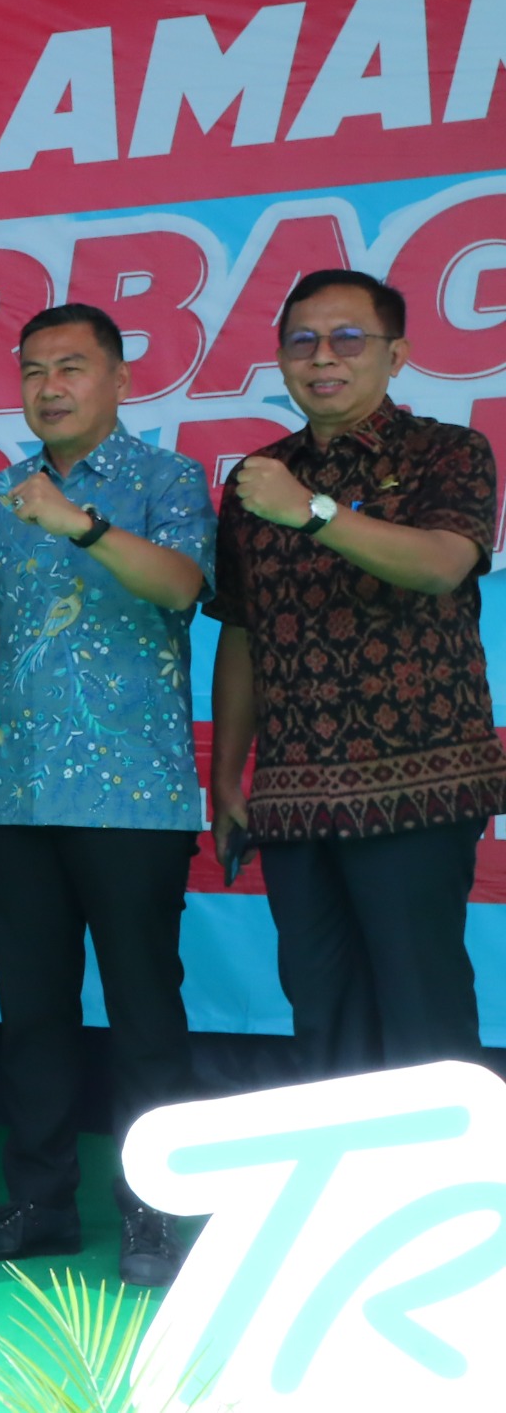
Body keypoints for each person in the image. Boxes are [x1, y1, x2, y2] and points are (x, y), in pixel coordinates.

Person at [0, 304, 213, 1289]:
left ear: (119, 379)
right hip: (17, 790)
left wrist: (83, 524)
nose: (49, 385)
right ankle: (41, 1202)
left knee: (144, 1011)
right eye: (33, 369)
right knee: (32, 1011)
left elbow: (182, 587)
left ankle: (153, 1211)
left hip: (131, 792)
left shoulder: (166, 479)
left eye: (71, 366)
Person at [210, 268, 506, 1078]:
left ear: (395, 355)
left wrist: (313, 511)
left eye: (348, 339)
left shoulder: (448, 451)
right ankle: (343, 1160)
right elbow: (241, 629)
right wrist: (229, 775)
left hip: (419, 781)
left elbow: (442, 565)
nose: (323, 358)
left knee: (420, 1006)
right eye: (302, 341)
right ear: (281, 358)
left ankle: (448, 1161)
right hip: (295, 791)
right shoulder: (257, 478)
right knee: (321, 1011)